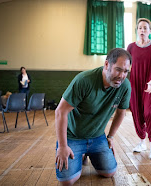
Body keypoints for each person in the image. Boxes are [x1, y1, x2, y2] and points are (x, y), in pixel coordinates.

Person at [55, 48, 132, 185]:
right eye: (118, 69)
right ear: (107, 64)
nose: (122, 75)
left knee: (109, 173)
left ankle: (88, 153)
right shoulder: (84, 80)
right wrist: (62, 146)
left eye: (126, 71)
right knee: (67, 181)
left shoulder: (125, 86)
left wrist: (111, 136)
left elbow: (121, 112)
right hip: (73, 136)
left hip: (97, 137)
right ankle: (81, 154)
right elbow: (60, 112)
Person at [127, 18, 151, 159]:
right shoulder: (130, 47)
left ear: (150, 31)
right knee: (137, 114)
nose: (142, 30)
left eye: (145, 28)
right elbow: (126, 66)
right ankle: (142, 142)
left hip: (150, 85)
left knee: (149, 113)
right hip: (134, 84)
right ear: (137, 30)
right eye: (140, 28)